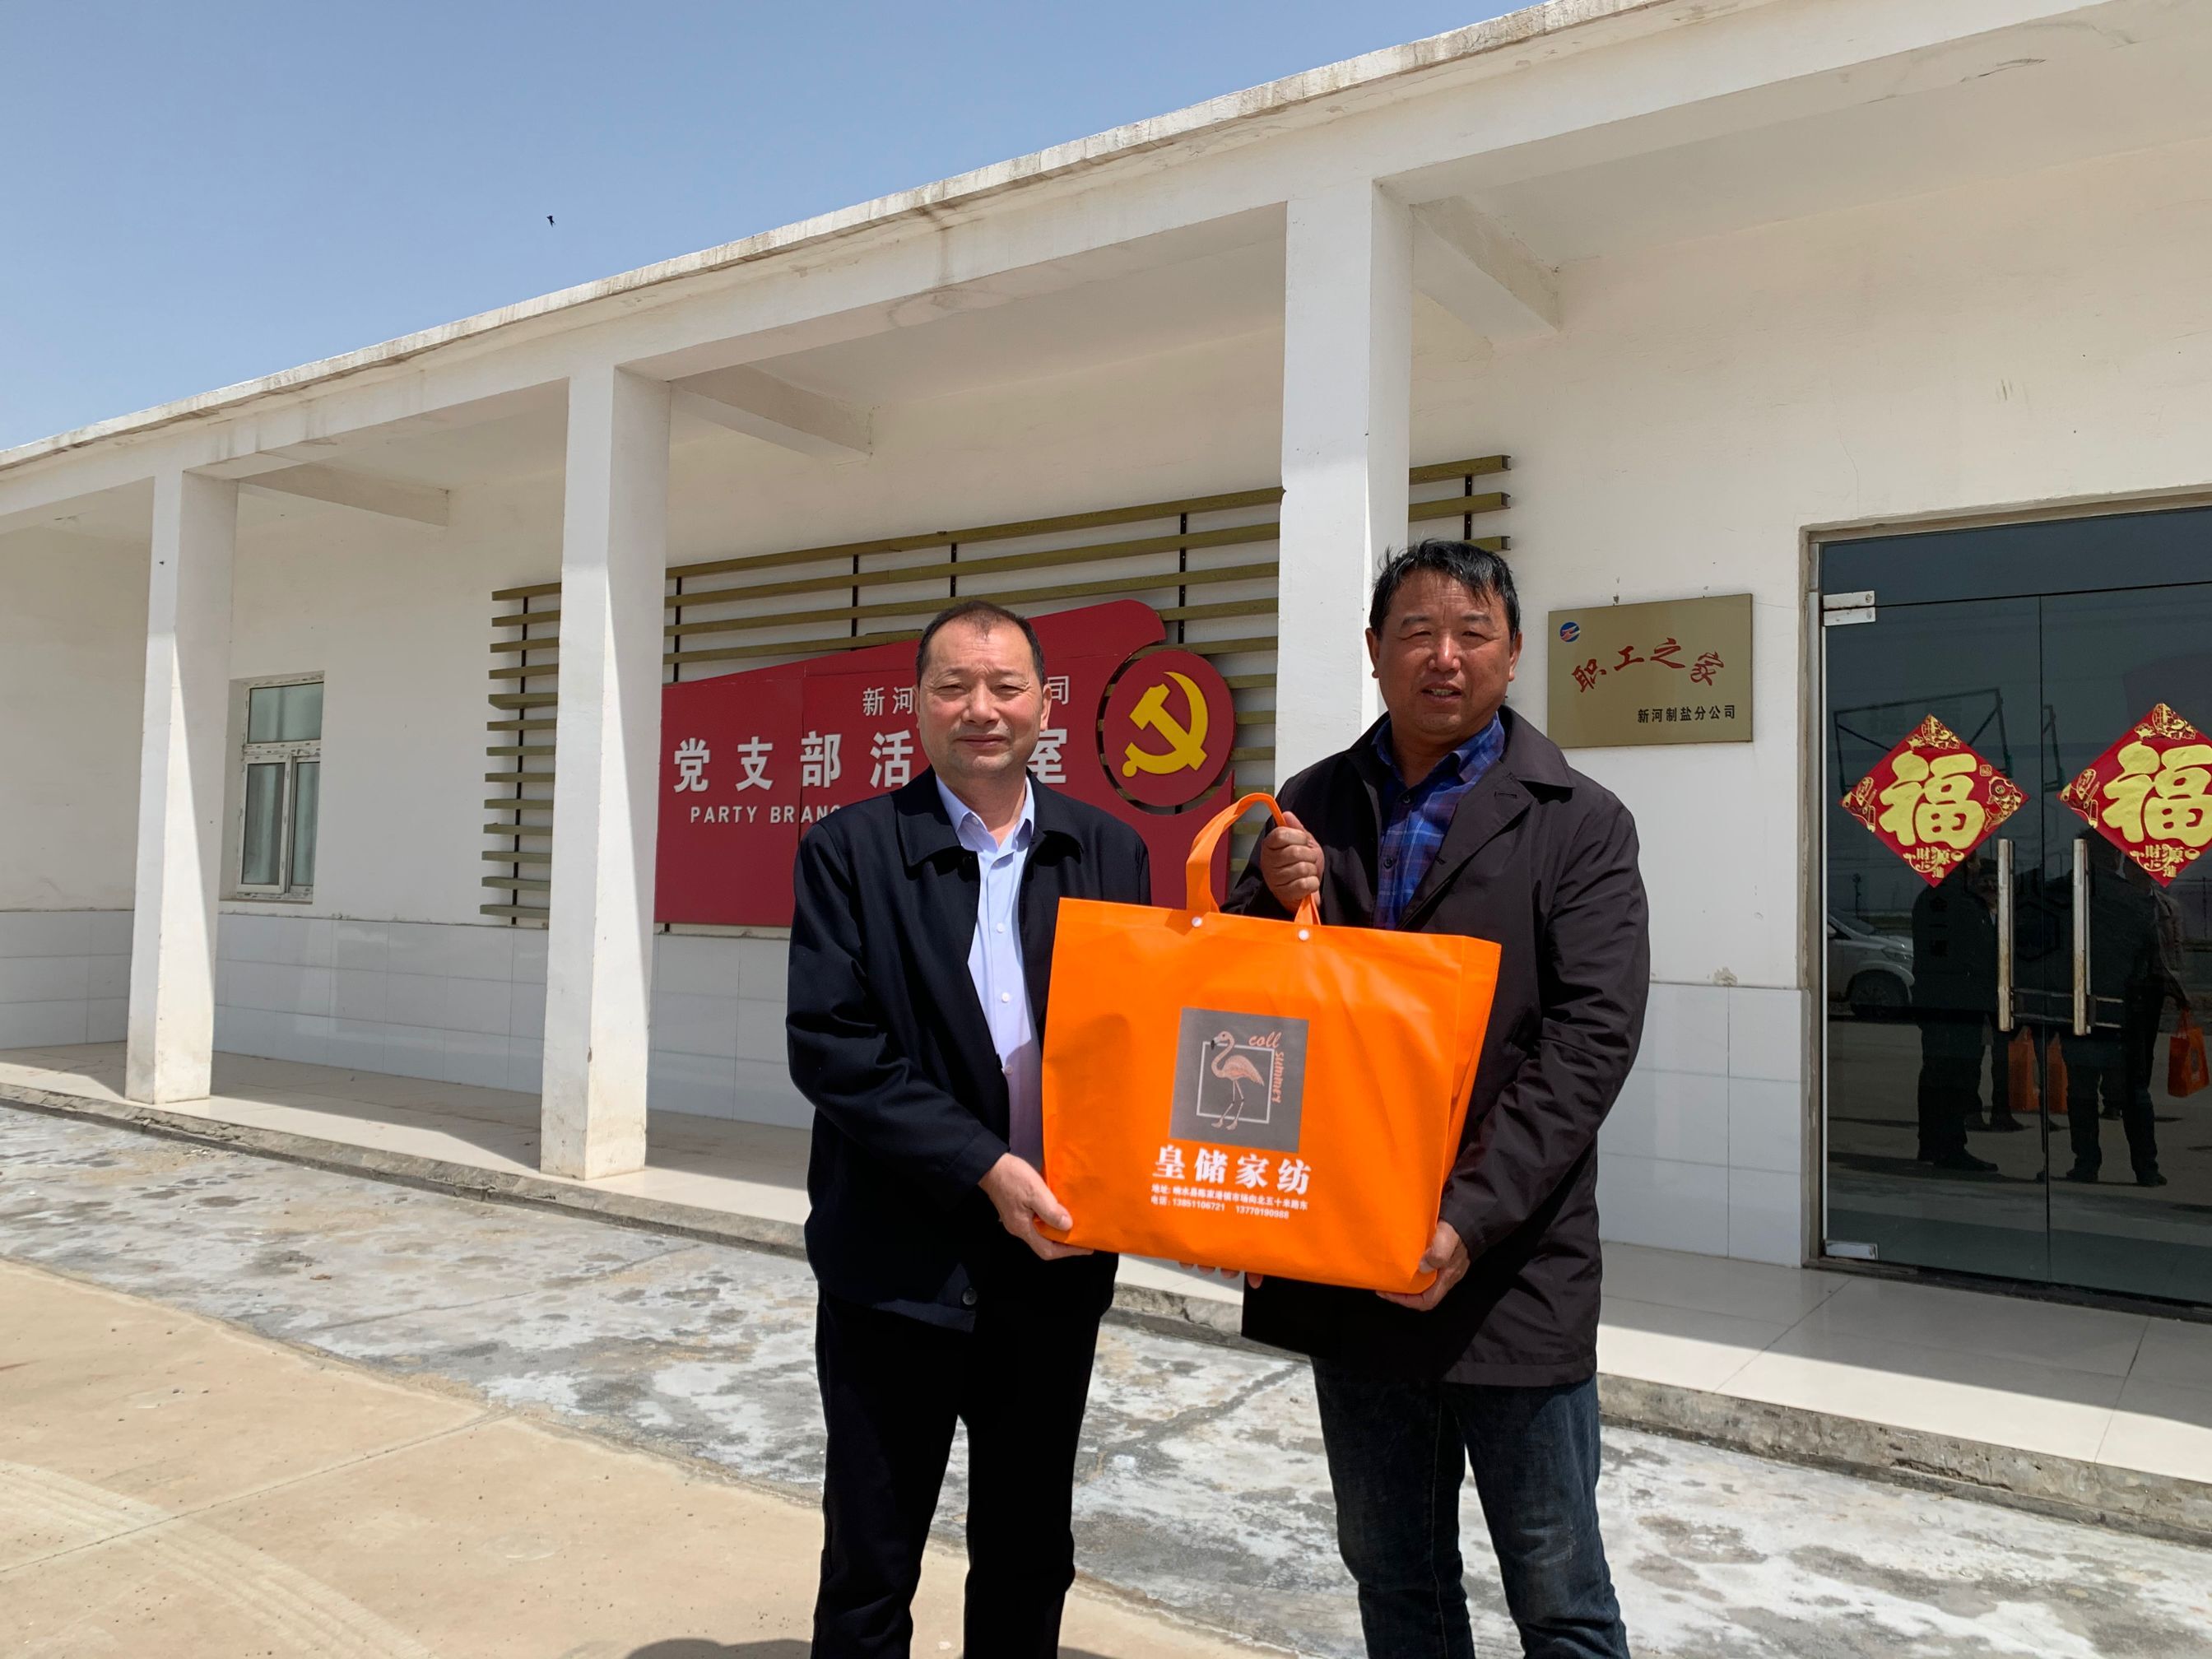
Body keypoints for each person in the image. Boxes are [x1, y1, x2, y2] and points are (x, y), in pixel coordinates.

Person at [1230, 540, 1647, 1659]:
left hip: (1509, 1265)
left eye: (1472, 633)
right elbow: (1253, 1006)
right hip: (1348, 1256)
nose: (1444, 656)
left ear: (1513, 653)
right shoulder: (1310, 802)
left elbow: (1590, 1041)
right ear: (1375, 652)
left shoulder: (1579, 820)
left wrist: (1464, 1219)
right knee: (1395, 1578)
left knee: (1559, 1593)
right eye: (1417, 632)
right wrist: (1263, 897)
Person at [787, 599, 1151, 1658]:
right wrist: (984, 1164)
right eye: (953, 687)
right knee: (871, 1556)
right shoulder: (850, 850)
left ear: (1046, 703)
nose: (980, 708)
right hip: (894, 1267)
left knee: (1030, 1548)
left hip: (1053, 1266)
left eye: (1005, 687)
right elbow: (833, 1045)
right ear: (916, 706)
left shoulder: (1109, 850)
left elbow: (1149, 1034)